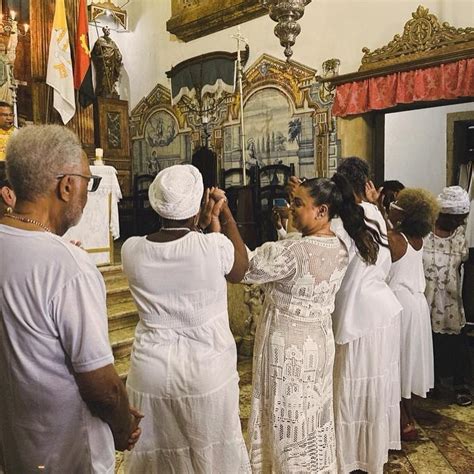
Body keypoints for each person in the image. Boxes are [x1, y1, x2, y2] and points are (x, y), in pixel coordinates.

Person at [0, 125, 141, 473]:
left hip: (17, 444)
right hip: (68, 453)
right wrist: (122, 426)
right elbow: (103, 387)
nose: (85, 192)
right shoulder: (68, 265)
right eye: (87, 182)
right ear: (66, 185)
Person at [243, 173, 383, 473]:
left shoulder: (295, 251)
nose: (291, 208)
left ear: (322, 212)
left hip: (288, 346)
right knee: (311, 417)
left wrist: (226, 219)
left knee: (285, 420)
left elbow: (246, 269)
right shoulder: (341, 245)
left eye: (298, 203)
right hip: (318, 343)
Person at [121, 165, 250, 473]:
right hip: (205, 372)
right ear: (196, 210)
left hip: (150, 372)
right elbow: (240, 270)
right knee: (210, 455)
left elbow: (180, 247)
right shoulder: (214, 246)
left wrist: (197, 225)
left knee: (157, 456)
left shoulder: (131, 250)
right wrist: (225, 216)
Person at [332, 157, 402, 473]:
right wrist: (377, 205)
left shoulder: (337, 221)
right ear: (366, 185)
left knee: (350, 384)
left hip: (355, 314)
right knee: (376, 384)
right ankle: (372, 452)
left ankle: (348, 455)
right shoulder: (375, 213)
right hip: (383, 312)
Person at [386, 188, 439, 440]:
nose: (391, 205)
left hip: (401, 304)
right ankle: (409, 413)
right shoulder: (418, 239)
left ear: (404, 214)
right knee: (409, 360)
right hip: (417, 305)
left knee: (397, 360)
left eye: (396, 203)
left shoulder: (395, 239)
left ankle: (402, 417)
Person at [423, 185, 472, 406]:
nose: (460, 223)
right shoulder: (423, 233)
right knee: (430, 342)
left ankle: (459, 383)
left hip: (451, 299)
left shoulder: (460, 236)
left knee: (456, 343)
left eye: (462, 219)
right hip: (427, 296)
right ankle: (431, 382)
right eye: (456, 219)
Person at [91, 26, 123, 98]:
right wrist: (101, 57)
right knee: (103, 80)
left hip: (111, 64)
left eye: (109, 29)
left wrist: (119, 57)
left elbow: (117, 53)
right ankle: (103, 92)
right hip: (103, 65)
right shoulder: (100, 41)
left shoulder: (112, 42)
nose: (108, 31)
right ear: (103, 31)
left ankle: (111, 91)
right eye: (106, 30)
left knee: (111, 80)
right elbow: (94, 54)